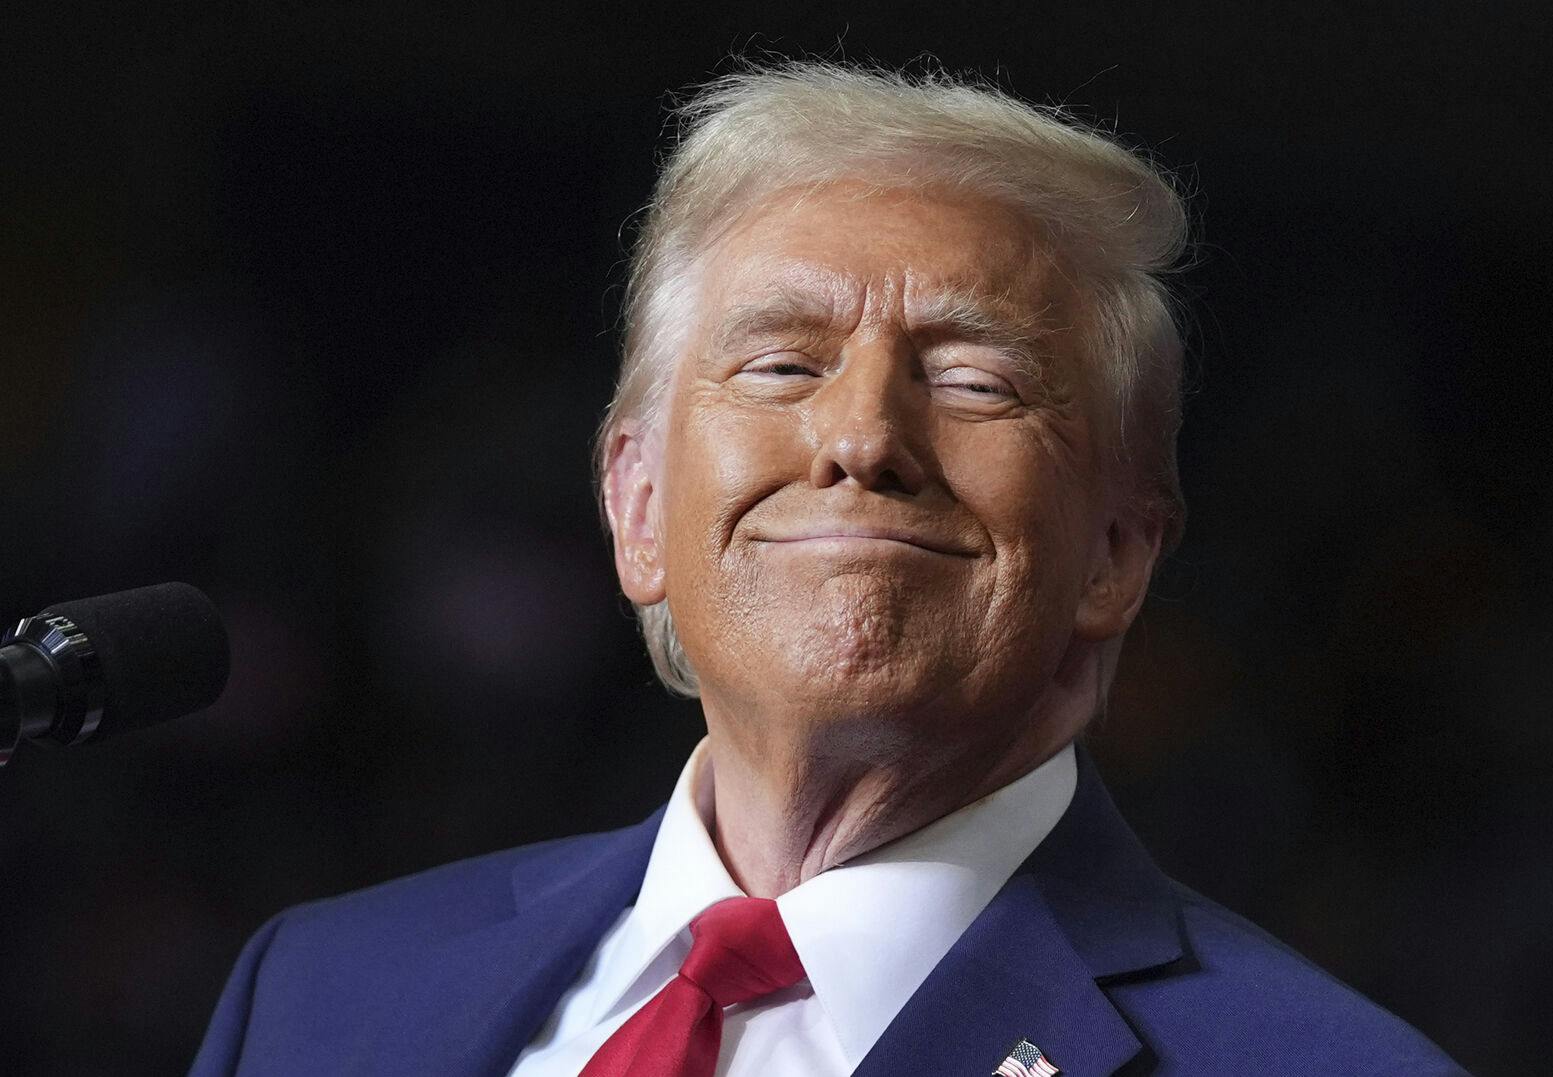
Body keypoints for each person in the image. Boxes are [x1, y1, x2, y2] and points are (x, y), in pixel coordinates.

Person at [189, 61, 1467, 1077]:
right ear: (637, 509)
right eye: (782, 365)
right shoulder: (315, 992)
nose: (861, 438)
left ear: (1116, 555)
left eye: (976, 380)